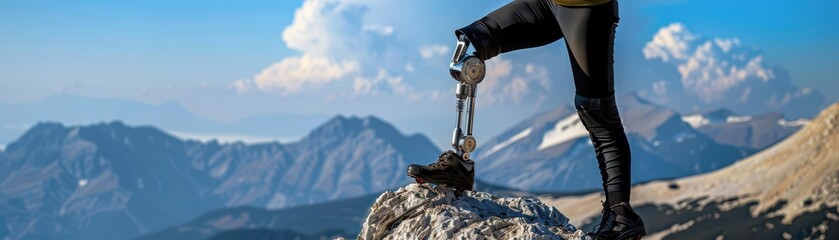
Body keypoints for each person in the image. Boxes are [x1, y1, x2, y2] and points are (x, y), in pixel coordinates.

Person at [407, 0, 645, 239]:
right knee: (471, 44)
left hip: (587, 7)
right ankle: (461, 162)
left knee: (596, 110)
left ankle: (620, 213)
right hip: (547, 3)